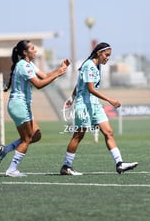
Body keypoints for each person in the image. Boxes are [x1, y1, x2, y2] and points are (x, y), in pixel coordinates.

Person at [59, 42, 138, 175]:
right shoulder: (89, 66)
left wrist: (72, 97)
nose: (107, 58)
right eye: (106, 55)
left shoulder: (97, 66)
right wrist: (110, 100)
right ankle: (66, 166)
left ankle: (119, 163)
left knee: (109, 132)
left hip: (94, 105)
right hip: (84, 105)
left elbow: (79, 84)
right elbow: (90, 88)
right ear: (98, 53)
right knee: (78, 135)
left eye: (109, 56)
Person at [0, 40, 70, 177]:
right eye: (33, 48)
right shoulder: (24, 66)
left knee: (36, 135)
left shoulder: (29, 65)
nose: (35, 51)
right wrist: (58, 73)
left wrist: (60, 69)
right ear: (25, 52)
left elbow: (46, 76)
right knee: (26, 139)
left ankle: (6, 150)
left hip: (21, 105)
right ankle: (12, 169)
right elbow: (39, 84)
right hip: (19, 105)